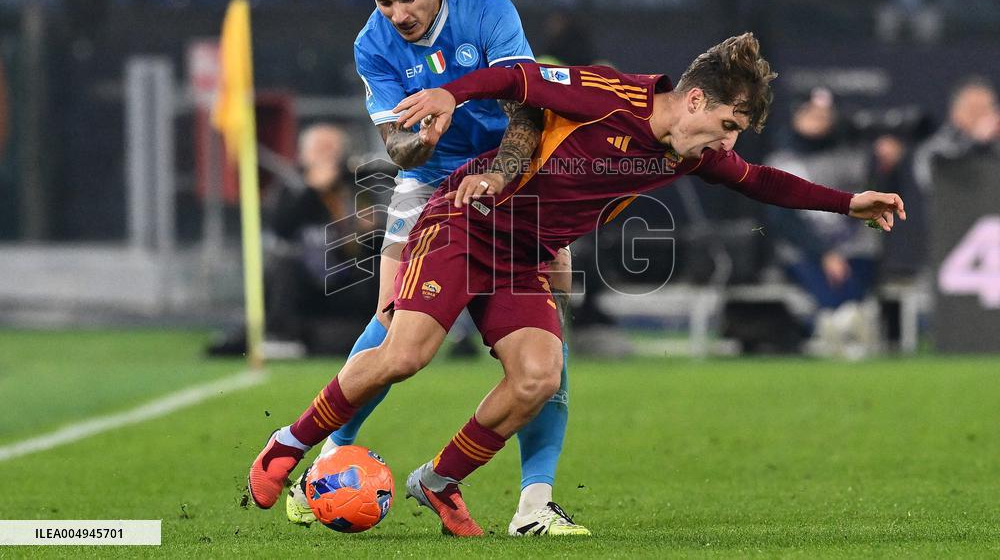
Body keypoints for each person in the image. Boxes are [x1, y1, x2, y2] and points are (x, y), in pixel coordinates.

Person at [249, 33, 906, 535]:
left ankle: (439, 481)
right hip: (467, 223)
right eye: (728, 126)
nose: (727, 144)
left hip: (525, 256)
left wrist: (849, 203)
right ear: (696, 101)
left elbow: (760, 180)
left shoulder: (692, 152)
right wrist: (453, 94)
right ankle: (287, 445)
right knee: (405, 354)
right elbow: (519, 77)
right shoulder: (607, 95)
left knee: (539, 376)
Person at [279, 0, 587, 536]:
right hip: (428, 186)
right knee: (391, 323)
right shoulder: (372, 45)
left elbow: (527, 112)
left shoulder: (487, 9)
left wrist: (500, 177)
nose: (399, 14)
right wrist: (419, 142)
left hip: (510, 176)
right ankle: (328, 461)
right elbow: (395, 144)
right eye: (384, 2)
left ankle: (535, 503)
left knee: (549, 332)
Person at [207, 124, 375, 357]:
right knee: (282, 267)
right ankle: (281, 335)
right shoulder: (290, 185)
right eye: (319, 149)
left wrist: (367, 227)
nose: (326, 156)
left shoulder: (355, 187)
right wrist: (312, 190)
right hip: (302, 279)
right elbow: (281, 228)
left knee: (375, 272)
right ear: (303, 153)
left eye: (332, 149)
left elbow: (370, 238)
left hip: (343, 280)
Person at [764, 88, 881, 356]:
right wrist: (825, 253)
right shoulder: (782, 163)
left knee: (853, 276)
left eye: (825, 114)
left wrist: (887, 165)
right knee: (831, 290)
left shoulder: (853, 158)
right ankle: (843, 325)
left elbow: (874, 203)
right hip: (807, 251)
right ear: (796, 116)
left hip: (853, 247)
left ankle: (839, 325)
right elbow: (784, 221)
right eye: (811, 114)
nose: (818, 120)